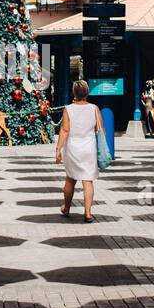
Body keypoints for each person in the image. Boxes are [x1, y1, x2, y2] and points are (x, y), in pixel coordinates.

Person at [56, 78, 105, 222]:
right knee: (87, 180)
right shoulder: (94, 108)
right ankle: (88, 213)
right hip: (89, 147)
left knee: (70, 179)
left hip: (72, 147)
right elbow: (100, 129)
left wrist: (58, 149)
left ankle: (66, 208)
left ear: (73, 92)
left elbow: (65, 130)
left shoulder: (68, 109)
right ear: (87, 92)